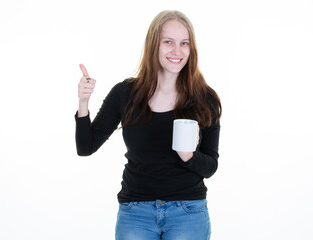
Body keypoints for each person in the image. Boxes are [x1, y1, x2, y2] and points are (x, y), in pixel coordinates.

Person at [75, 10, 221, 240]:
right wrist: (83, 103)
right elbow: (86, 147)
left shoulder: (205, 98)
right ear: (154, 45)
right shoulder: (125, 93)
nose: (177, 51)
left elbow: (210, 166)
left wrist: (189, 156)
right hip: (136, 213)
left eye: (184, 43)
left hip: (188, 212)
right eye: (168, 42)